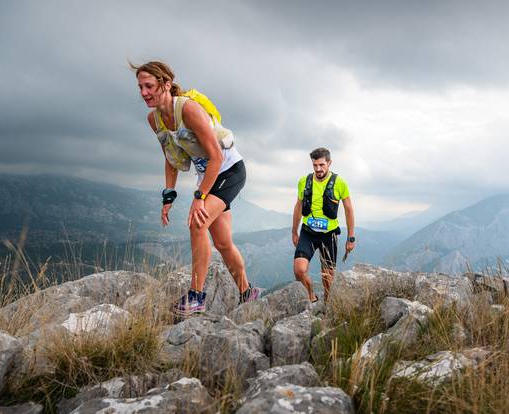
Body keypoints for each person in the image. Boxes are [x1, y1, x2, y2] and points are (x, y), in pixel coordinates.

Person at [132, 60, 262, 316]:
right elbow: (170, 157)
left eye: (149, 86)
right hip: (209, 177)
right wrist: (168, 196)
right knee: (223, 243)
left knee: (196, 222)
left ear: (166, 84)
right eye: (140, 87)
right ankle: (248, 293)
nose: (144, 92)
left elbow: (215, 155)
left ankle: (196, 296)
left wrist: (200, 197)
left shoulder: (188, 110)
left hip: (229, 171)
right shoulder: (154, 119)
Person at [292, 147, 355, 302]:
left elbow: (349, 210)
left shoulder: (340, 183)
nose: (318, 169)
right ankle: (311, 296)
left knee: (328, 279)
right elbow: (298, 206)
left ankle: (326, 304)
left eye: (322, 165)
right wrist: (294, 231)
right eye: (315, 165)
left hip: (329, 235)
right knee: (299, 270)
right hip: (308, 232)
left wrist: (351, 238)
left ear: (329, 163)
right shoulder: (304, 181)